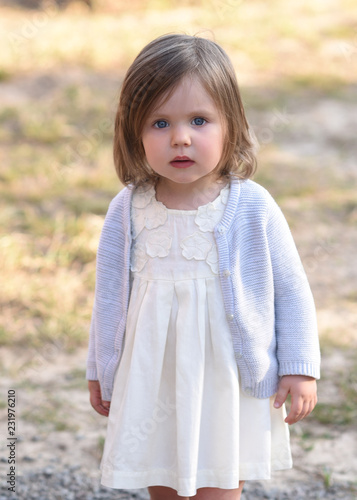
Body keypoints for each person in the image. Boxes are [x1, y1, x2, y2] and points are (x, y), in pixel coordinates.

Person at [86, 33, 321, 500]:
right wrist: (101, 367)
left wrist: (299, 367)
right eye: (159, 122)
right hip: (155, 375)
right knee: (161, 474)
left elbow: (292, 289)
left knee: (218, 481)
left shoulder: (252, 206)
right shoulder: (128, 209)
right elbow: (109, 296)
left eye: (199, 120)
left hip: (224, 376)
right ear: (133, 130)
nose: (180, 137)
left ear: (230, 124)